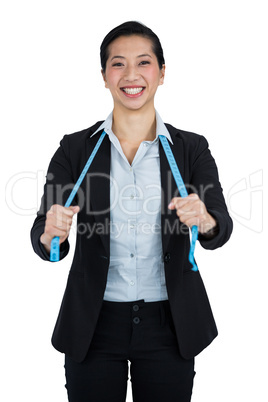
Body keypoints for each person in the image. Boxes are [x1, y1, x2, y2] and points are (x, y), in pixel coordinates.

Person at [31, 21, 233, 402]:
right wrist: (50, 234)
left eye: (143, 62)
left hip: (169, 323)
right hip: (93, 323)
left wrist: (205, 220)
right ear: (104, 76)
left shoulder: (191, 149)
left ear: (160, 73)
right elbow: (46, 234)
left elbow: (220, 227)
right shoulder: (74, 150)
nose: (131, 75)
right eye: (117, 64)